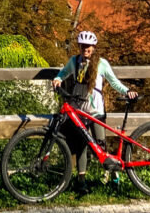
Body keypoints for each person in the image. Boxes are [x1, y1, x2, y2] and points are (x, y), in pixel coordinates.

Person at [51, 30, 137, 191]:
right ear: (79, 46)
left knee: (100, 144)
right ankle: (81, 180)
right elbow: (64, 73)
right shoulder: (74, 61)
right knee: (81, 145)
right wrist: (57, 78)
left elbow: (114, 82)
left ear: (94, 47)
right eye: (83, 46)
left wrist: (127, 91)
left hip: (96, 109)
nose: (86, 49)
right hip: (78, 110)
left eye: (89, 46)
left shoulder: (101, 63)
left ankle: (114, 175)